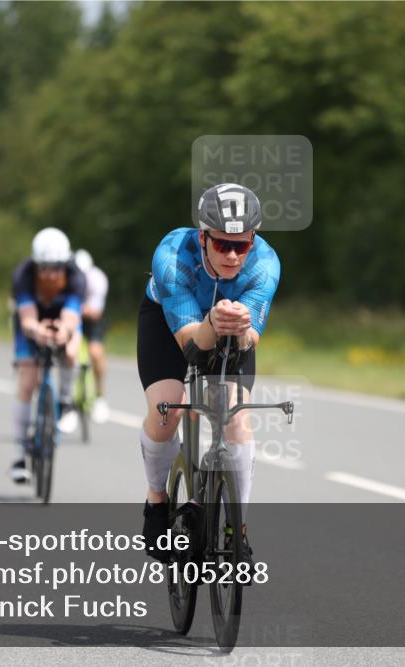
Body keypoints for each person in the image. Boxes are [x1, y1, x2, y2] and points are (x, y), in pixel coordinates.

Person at [137, 183, 280, 562]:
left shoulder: (266, 264)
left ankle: (238, 530)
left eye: (242, 245)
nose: (233, 256)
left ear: (254, 240)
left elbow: (249, 340)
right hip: (171, 326)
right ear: (202, 237)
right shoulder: (171, 256)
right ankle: (156, 500)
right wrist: (212, 323)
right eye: (222, 245)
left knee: (236, 418)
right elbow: (191, 346)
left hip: (229, 330)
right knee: (166, 407)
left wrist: (241, 330)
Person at [8, 227, 86, 483]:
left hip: (63, 320)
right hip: (33, 322)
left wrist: (63, 332)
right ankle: (20, 455)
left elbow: (72, 316)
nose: (50, 274)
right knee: (28, 380)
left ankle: (64, 401)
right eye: (44, 267)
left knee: (71, 352)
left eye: (56, 267)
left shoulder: (76, 276)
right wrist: (36, 331)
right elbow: (27, 317)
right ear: (35, 264)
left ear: (66, 264)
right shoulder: (23, 275)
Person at [71, 249, 110, 423]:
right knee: (68, 353)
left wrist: (74, 309)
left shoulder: (98, 279)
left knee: (95, 353)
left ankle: (100, 395)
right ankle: (67, 397)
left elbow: (94, 313)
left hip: (92, 318)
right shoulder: (67, 277)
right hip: (72, 317)